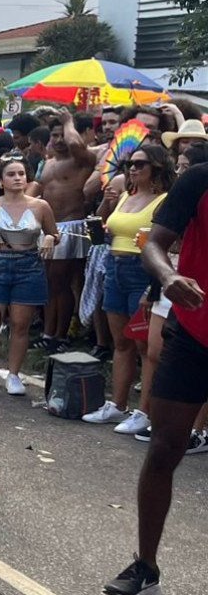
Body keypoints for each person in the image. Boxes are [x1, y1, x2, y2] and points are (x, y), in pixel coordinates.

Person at [104, 152, 208, 595]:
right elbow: (152, 244)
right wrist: (169, 278)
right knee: (165, 446)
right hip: (195, 330)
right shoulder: (199, 180)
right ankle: (145, 566)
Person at [83, 142, 174, 434]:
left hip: (143, 270)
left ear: (157, 168)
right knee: (120, 341)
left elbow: (165, 242)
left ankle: (144, 411)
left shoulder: (166, 200)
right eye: (129, 165)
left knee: (145, 345)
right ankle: (117, 404)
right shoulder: (124, 195)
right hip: (114, 265)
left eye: (139, 164)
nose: (132, 169)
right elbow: (107, 227)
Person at [0, 157, 57, 396]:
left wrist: (50, 238)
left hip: (29, 265)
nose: (17, 178)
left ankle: (13, 374)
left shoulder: (40, 206)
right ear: (1, 180)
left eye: (21, 173)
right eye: (11, 174)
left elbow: (55, 233)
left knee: (20, 324)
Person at [38, 113, 98, 350]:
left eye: (63, 135)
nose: (60, 140)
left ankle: (61, 335)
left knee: (61, 282)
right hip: (48, 227)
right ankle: (47, 332)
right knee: (48, 283)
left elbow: (75, 144)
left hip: (72, 226)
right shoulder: (49, 162)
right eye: (54, 135)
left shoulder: (82, 159)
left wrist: (68, 120)